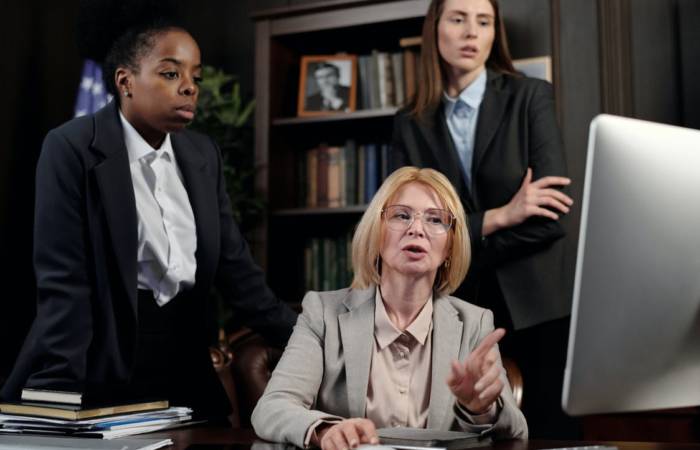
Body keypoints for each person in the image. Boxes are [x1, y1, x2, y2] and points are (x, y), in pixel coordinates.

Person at [0, 0, 298, 422]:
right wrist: (58, 406)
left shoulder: (202, 155)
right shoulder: (70, 148)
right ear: (125, 80)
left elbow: (239, 274)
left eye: (195, 76)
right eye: (170, 73)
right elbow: (64, 286)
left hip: (184, 373)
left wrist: (314, 341)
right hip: (98, 372)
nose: (190, 86)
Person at [390, 0, 579, 439]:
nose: (471, 32)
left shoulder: (530, 96)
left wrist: (460, 239)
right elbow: (407, 224)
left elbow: (552, 218)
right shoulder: (409, 122)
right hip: (454, 309)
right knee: (468, 437)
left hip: (539, 308)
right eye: (457, 19)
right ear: (435, 29)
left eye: (484, 21)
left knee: (551, 437)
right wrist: (503, 215)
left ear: (495, 33)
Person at [252, 167, 527, 450]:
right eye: (401, 215)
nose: (417, 229)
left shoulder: (474, 323)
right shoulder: (323, 313)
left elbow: (517, 431)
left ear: (449, 249)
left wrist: (481, 409)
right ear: (376, 235)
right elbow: (272, 407)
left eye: (435, 219)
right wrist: (326, 431)